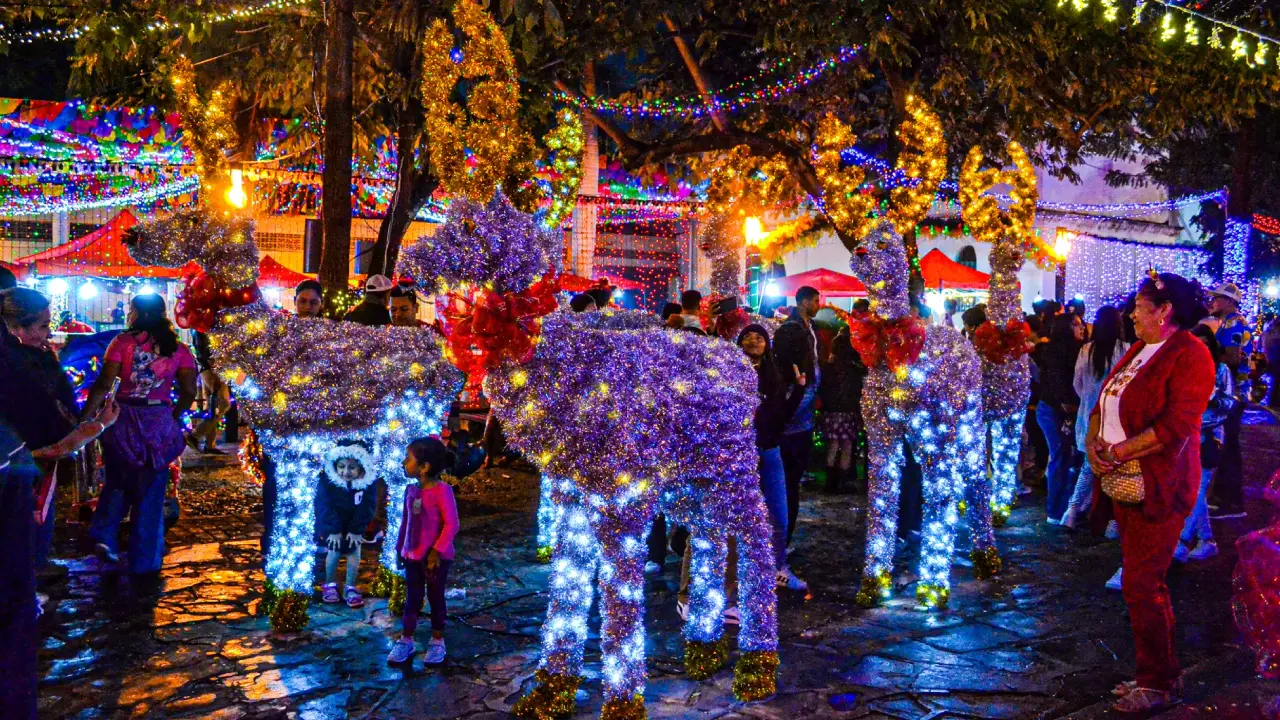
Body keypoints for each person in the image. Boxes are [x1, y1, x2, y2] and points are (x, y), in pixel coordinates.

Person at [1086, 272, 1214, 713]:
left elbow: (1175, 426)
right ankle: (1158, 674)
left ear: (1164, 312)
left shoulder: (1190, 354)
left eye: (1140, 307)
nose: (1131, 315)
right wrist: (1093, 443)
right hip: (1124, 478)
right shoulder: (1140, 349)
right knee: (1139, 581)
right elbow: (1105, 402)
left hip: (1159, 483)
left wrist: (1118, 450)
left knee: (1142, 583)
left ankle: (1157, 681)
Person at [1, 287, 119, 720]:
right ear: (15, 328)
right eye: (42, 326)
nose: (49, 335)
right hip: (19, 486)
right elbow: (51, 442)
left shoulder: (30, 364)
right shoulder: (22, 372)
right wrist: (91, 429)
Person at [83, 293, 198, 575]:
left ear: (134, 312)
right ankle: (144, 562)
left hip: (122, 419)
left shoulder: (121, 343)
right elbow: (190, 391)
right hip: (158, 420)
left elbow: (102, 385)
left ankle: (105, 535)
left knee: (117, 481)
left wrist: (83, 420)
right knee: (152, 493)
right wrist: (173, 415)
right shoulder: (179, 349)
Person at [739, 324, 807, 590]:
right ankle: (743, 576)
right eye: (748, 337)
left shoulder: (774, 375)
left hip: (770, 452)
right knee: (742, 520)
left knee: (779, 518)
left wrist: (799, 388)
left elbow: (782, 416)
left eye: (759, 338)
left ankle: (778, 570)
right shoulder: (731, 372)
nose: (754, 341)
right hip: (741, 456)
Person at [387, 437, 459, 667]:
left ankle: (437, 640)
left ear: (424, 466)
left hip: (434, 560)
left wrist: (436, 552)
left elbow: (451, 524)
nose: (403, 463)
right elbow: (406, 521)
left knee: (435, 597)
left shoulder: (442, 492)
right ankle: (406, 639)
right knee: (412, 597)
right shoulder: (410, 490)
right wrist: (401, 548)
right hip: (413, 556)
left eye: (408, 459)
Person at [1170, 325, 1236, 564]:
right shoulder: (1184, 367)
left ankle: (1183, 541)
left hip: (1209, 434)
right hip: (1186, 433)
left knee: (1196, 488)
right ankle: (1207, 540)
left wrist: (1209, 400)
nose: (1200, 347)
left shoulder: (1221, 370)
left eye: (1204, 343)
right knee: (1188, 487)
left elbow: (1229, 403)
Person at [1063, 306, 1129, 529]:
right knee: (1115, 468)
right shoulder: (1127, 350)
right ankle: (1111, 521)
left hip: (1089, 415)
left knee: (1088, 465)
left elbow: (1077, 383)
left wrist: (1089, 402)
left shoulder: (1086, 350)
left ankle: (1073, 512)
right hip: (1116, 418)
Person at [771, 285, 821, 554]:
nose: (819, 305)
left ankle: (783, 538)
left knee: (791, 481)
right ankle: (781, 541)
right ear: (802, 302)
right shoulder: (791, 330)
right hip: (793, 419)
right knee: (787, 482)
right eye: (815, 300)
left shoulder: (806, 327)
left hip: (803, 416)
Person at [315, 439, 383, 608]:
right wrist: (333, 529)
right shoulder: (329, 481)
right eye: (342, 466)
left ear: (361, 468)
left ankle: (350, 586)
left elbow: (368, 506)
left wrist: (357, 530)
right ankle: (330, 583)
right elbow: (324, 504)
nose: (346, 472)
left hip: (354, 524)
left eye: (351, 467)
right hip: (334, 524)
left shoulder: (367, 483)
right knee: (334, 550)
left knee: (354, 550)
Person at [1203, 282, 1249, 519]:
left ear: (1230, 301)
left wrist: (1208, 353)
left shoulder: (1233, 322)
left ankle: (1232, 502)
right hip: (1232, 392)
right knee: (1226, 444)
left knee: (1228, 445)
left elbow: (1232, 357)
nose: (1213, 302)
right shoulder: (1229, 322)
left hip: (1232, 394)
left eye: (1218, 298)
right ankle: (1223, 497)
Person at [1037, 312, 1086, 524]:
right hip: (1052, 410)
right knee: (1060, 456)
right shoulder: (1056, 351)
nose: (1082, 327)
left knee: (1067, 457)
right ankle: (1055, 511)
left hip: (1063, 410)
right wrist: (1066, 403)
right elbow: (1057, 382)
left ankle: (1067, 507)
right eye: (1076, 325)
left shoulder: (1079, 350)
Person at [819, 325, 865, 494]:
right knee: (847, 446)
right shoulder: (856, 370)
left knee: (832, 446)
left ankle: (830, 483)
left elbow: (822, 390)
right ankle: (844, 482)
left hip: (831, 412)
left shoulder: (827, 368)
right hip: (849, 412)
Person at [187, 331, 231, 454]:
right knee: (223, 403)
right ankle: (196, 435)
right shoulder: (206, 329)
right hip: (211, 368)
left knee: (213, 406)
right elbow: (208, 351)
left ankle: (210, 444)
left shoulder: (198, 329)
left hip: (206, 367)